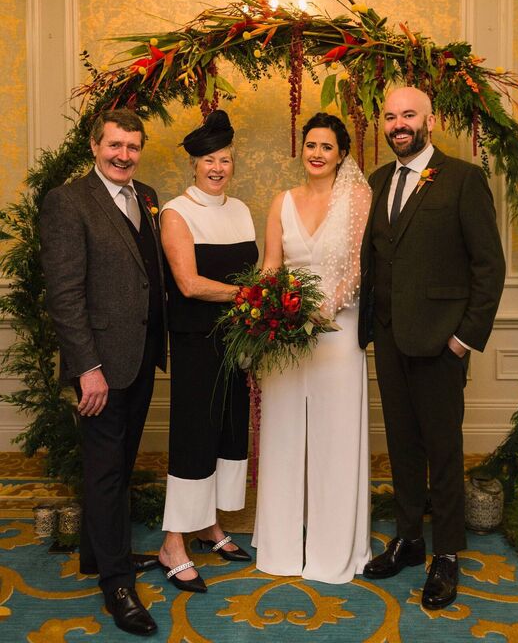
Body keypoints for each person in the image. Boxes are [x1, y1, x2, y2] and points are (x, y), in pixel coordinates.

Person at [359, 86, 506, 609]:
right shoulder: (378, 180)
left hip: (443, 342)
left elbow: (489, 266)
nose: (398, 124)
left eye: (409, 115)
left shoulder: (462, 179)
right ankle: (409, 538)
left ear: (430, 120)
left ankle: (446, 552)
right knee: (401, 445)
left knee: (442, 449)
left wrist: (463, 339)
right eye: (390, 116)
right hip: (389, 337)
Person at [40, 107, 167, 637]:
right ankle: (117, 585)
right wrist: (87, 368)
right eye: (114, 145)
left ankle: (97, 554)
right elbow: (64, 295)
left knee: (119, 463)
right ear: (95, 146)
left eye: (132, 146)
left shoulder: (147, 196)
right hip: (99, 365)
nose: (123, 155)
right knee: (106, 471)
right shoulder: (68, 201)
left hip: (139, 356)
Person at [252, 112, 372, 583]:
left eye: (326, 146)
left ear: (341, 155)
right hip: (286, 332)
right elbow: (271, 266)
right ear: (301, 150)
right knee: (281, 435)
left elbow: (361, 266)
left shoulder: (357, 198)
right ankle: (280, 547)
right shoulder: (282, 201)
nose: (317, 154)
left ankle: (333, 550)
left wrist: (326, 309)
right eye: (311, 145)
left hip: (338, 330)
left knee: (335, 439)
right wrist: (263, 314)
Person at [158, 109, 258, 594]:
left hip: (237, 341)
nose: (217, 168)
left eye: (225, 159)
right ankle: (172, 542)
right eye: (209, 160)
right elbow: (189, 284)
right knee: (195, 437)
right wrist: (251, 298)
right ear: (194, 164)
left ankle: (208, 524)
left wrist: (256, 311)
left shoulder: (241, 210)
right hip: (196, 342)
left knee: (227, 432)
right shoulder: (175, 212)